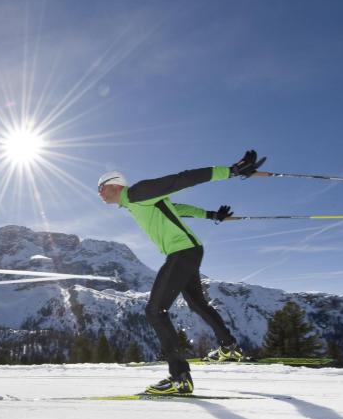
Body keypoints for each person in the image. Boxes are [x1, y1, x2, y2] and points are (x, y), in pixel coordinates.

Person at [97, 151, 267, 394]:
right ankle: (229, 347)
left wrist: (231, 171)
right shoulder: (137, 203)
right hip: (187, 252)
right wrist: (212, 215)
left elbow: (182, 179)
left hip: (182, 252)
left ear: (113, 185)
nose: (99, 195)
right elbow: (179, 208)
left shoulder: (136, 193)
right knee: (198, 304)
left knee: (155, 311)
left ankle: (179, 378)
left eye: (100, 189)